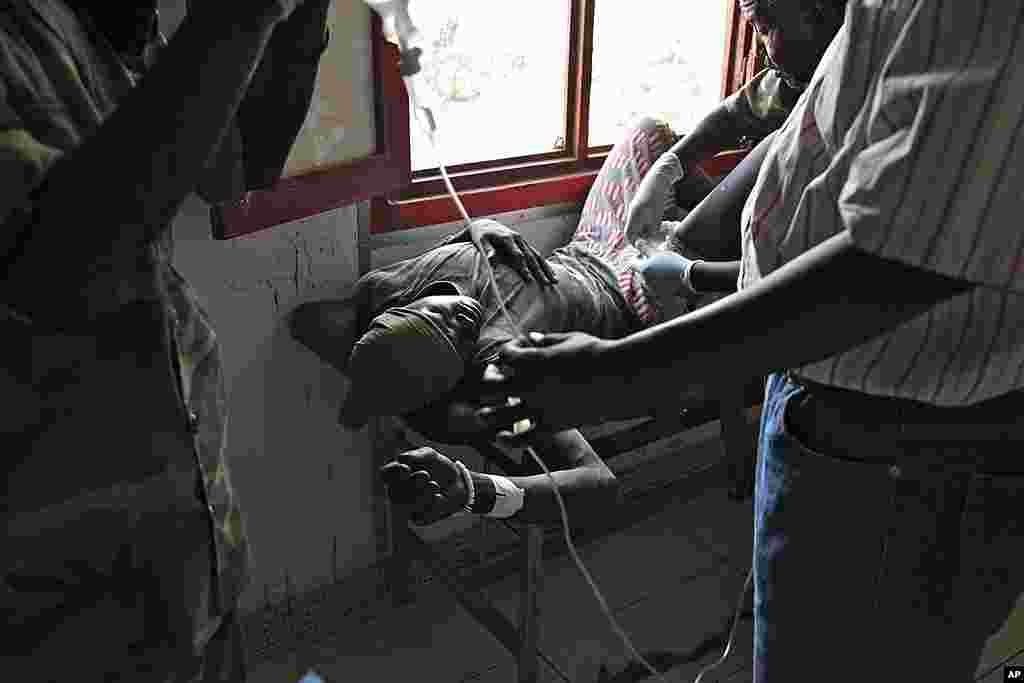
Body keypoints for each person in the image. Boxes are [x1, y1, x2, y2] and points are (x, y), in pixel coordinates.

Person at [486, 1, 1024, 680]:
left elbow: (898, 261)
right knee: (794, 640)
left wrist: (625, 368)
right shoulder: (848, 42)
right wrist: (490, 232)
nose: (763, 39)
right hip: (821, 397)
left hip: (904, 450)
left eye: (770, 19)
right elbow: (808, 176)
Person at [2, 1, 329, 680]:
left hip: (194, 567)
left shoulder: (93, 23)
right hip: (68, 614)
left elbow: (237, 171)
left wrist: (300, 18)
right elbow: (58, 272)